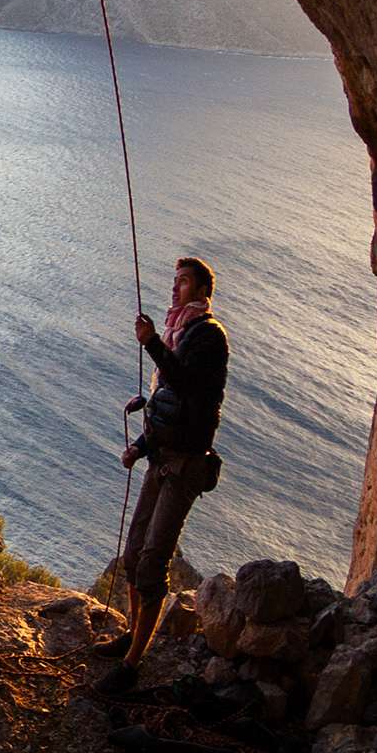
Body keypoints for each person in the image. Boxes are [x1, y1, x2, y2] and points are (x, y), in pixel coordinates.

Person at [112, 255, 230, 663]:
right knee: (132, 555)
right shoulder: (178, 333)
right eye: (175, 280)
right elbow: (165, 404)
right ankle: (131, 637)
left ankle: (133, 663)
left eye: (183, 282)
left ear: (201, 291)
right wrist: (140, 447)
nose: (175, 287)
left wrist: (151, 344)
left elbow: (183, 383)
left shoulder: (209, 337)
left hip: (185, 467)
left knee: (152, 562)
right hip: (162, 458)